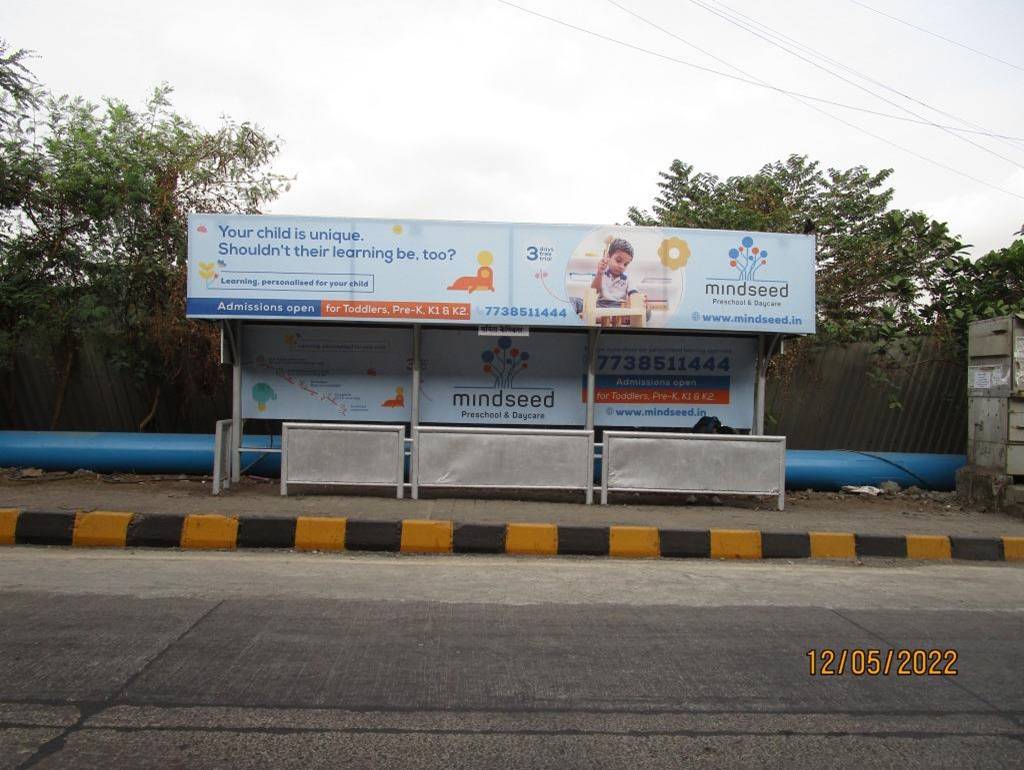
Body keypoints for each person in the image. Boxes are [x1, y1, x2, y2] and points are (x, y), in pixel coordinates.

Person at [591, 238, 645, 326]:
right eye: (618, 261)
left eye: (626, 264)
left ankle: (608, 318)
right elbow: (594, 292)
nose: (621, 266)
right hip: (601, 306)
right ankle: (609, 317)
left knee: (646, 312)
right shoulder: (601, 274)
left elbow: (633, 293)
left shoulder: (627, 279)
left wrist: (640, 299)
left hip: (619, 308)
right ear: (608, 257)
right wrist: (599, 273)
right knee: (577, 302)